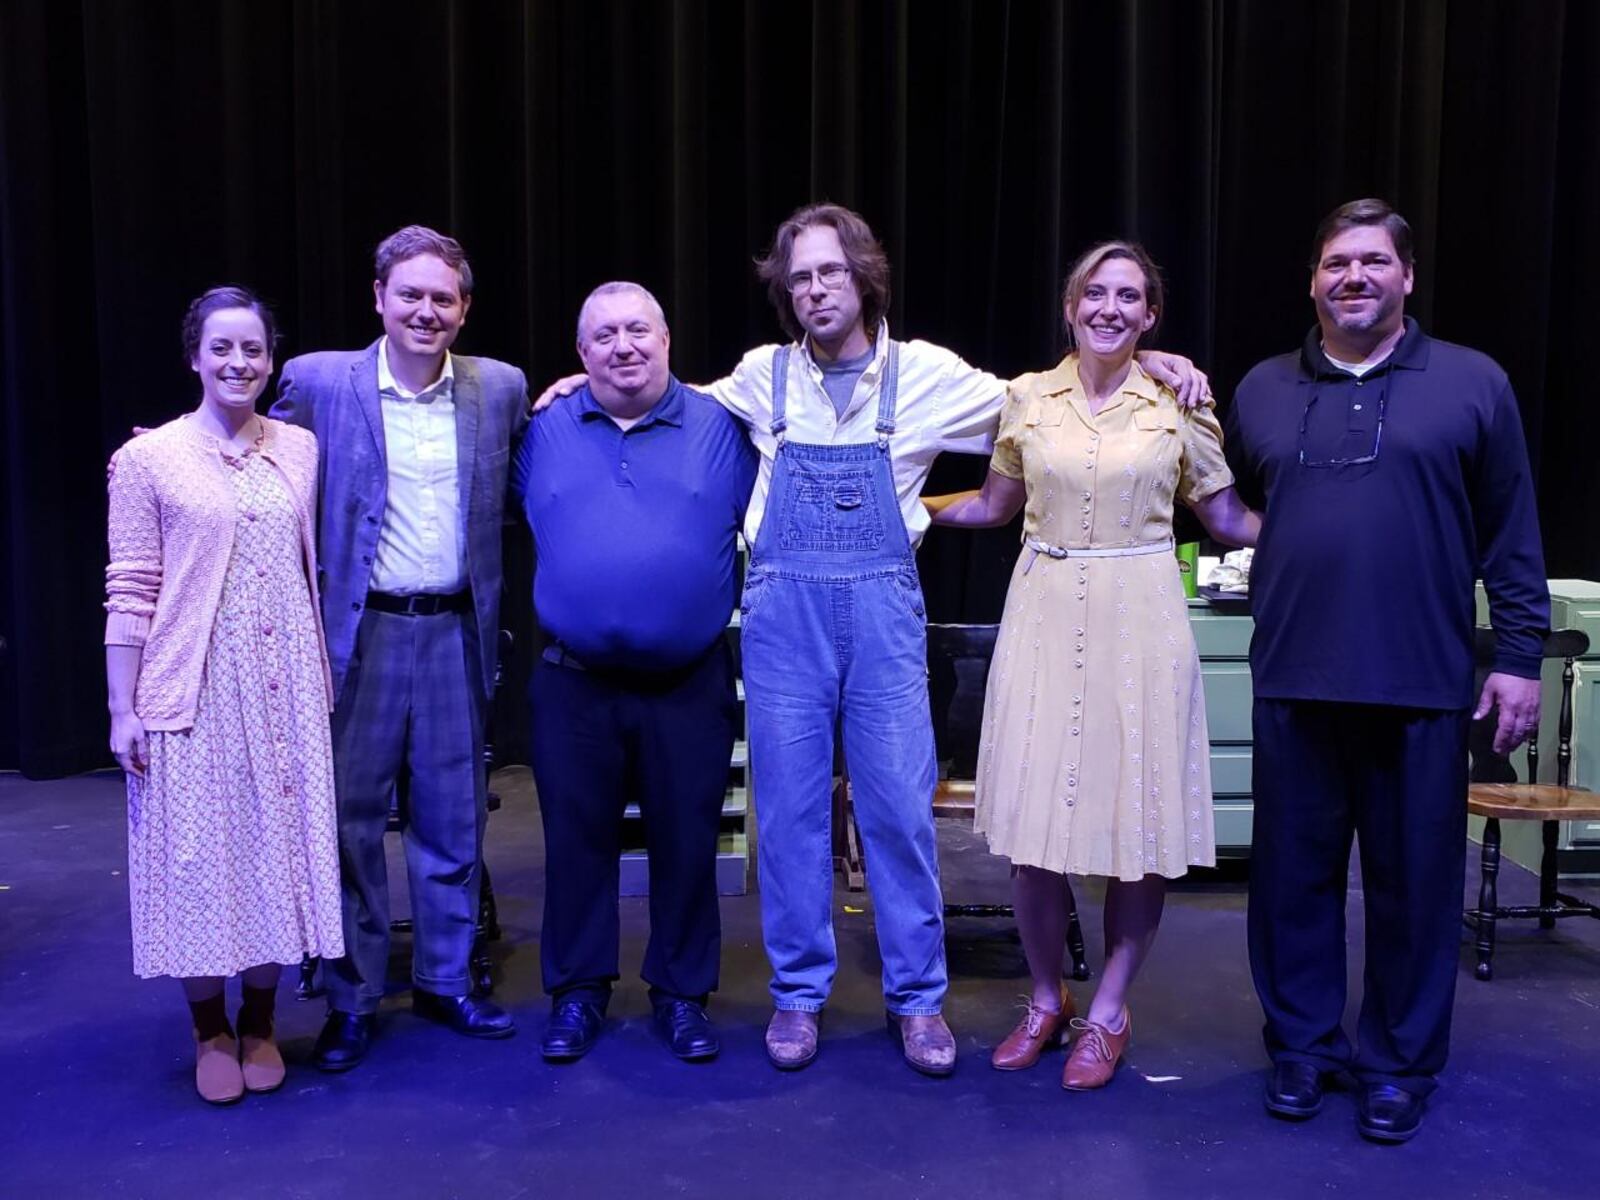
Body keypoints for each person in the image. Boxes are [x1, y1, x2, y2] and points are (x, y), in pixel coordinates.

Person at [535, 203, 1208, 1075]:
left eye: (832, 272)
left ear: (864, 279)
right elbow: (656, 392)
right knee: (788, 815)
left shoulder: (930, 376)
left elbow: (1055, 395)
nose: (817, 289)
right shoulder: (758, 377)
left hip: (885, 616)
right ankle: (798, 995)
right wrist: (575, 385)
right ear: (786, 290)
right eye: (801, 276)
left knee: (896, 809)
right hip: (784, 621)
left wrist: (1145, 357)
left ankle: (918, 1000)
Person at [1225, 199, 1548, 1143]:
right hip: (1293, 677)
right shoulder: (1262, 389)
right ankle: (1303, 1048)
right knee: (1292, 883)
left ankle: (1399, 1064)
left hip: (1423, 682)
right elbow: (1223, 491)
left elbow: (1512, 532)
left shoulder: (1473, 384)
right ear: (1312, 280)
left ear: (1407, 276)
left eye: (1372, 262)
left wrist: (1520, 658)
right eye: (1335, 263)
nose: (1352, 277)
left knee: (1413, 887)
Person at [923, 242, 1259, 1089]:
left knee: (1135, 834)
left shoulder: (1178, 402)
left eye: (1130, 297)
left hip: (1141, 616)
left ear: (1150, 316)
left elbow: (1224, 518)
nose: (1110, 308)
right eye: (1095, 294)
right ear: (1070, 307)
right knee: (1033, 837)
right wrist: (898, 508)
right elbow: (995, 506)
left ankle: (1108, 1009)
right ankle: (1046, 998)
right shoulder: (1027, 400)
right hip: (1042, 611)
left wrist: (1325, 535)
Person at [271, 225, 530, 1069]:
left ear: (464, 310)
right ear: (378, 296)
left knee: (453, 822)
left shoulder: (499, 389)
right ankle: (351, 996)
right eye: (409, 294)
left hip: (457, 629)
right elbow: (252, 454)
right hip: (361, 635)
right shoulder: (316, 382)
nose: (426, 310)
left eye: (442, 298)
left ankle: (447, 981)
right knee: (348, 825)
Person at [106, 286, 344, 1104]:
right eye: (222, 349)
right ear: (195, 356)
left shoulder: (300, 448)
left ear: (270, 359)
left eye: (253, 349)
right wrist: (122, 706)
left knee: (278, 856)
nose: (238, 363)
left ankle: (262, 1019)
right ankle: (208, 1026)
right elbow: (131, 587)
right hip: (194, 685)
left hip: (285, 689)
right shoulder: (147, 460)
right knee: (202, 865)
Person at [512, 283, 755, 1063]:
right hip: (573, 682)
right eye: (605, 334)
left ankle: (683, 995)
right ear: (579, 354)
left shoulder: (727, 428)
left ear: (668, 338)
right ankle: (578, 992)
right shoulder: (540, 430)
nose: (624, 346)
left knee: (687, 846)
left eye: (639, 330)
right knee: (574, 844)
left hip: (687, 683)